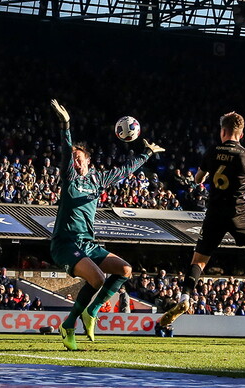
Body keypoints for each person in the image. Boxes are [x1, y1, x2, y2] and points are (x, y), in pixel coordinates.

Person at [157, 111, 245, 333]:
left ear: (223, 131)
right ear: (241, 133)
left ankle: (184, 297)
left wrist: (208, 174)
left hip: (214, 214)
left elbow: (198, 179)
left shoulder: (212, 151)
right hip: (239, 214)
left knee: (198, 261)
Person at [49, 99, 165, 351]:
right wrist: (65, 125)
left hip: (88, 245)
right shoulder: (68, 178)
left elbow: (125, 170)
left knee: (125, 270)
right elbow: (63, 148)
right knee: (98, 278)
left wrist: (146, 154)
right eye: (73, 159)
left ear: (88, 161)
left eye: (79, 158)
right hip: (66, 244)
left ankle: (92, 311)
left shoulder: (98, 180)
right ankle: (69, 325)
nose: (75, 161)